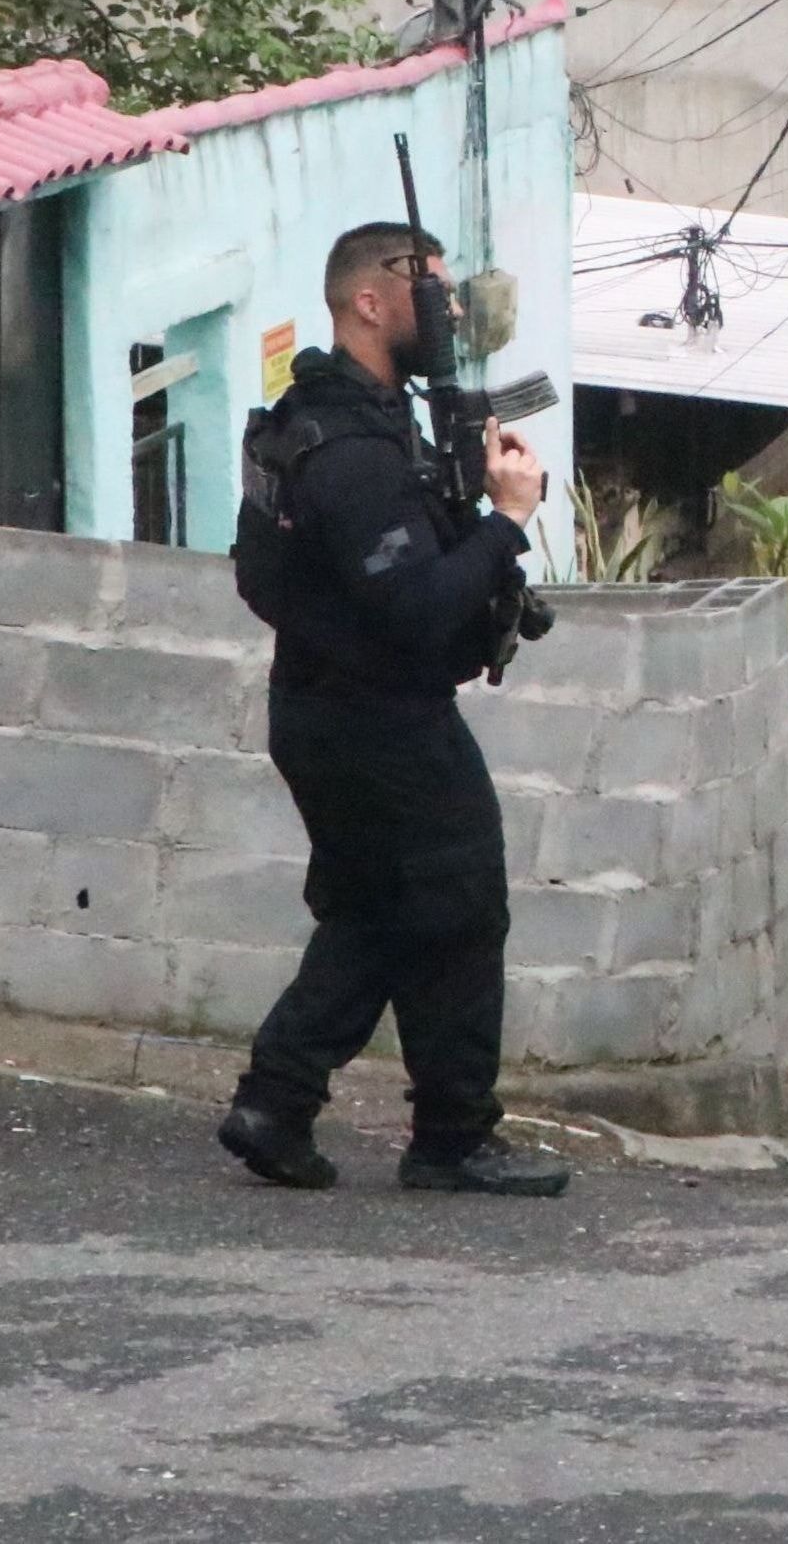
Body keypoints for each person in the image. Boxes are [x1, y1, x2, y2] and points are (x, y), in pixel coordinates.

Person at [217, 221, 569, 1198]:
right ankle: (454, 1137)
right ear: (369, 301)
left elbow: (263, 575)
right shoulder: (354, 452)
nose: (449, 310)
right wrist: (504, 520)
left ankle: (274, 1102)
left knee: (377, 909)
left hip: (323, 708)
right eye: (431, 290)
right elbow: (415, 608)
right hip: (381, 719)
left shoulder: (315, 421)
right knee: (458, 906)